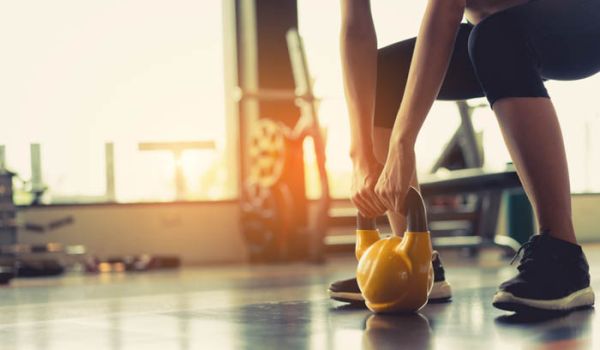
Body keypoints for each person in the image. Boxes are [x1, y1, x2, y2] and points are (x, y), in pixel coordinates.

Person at [329, 0, 599, 312]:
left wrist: (402, 144)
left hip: (583, 19)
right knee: (385, 74)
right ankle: (413, 262)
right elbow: (356, 29)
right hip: (497, 33)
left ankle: (562, 256)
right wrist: (360, 154)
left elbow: (446, 7)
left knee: (494, 36)